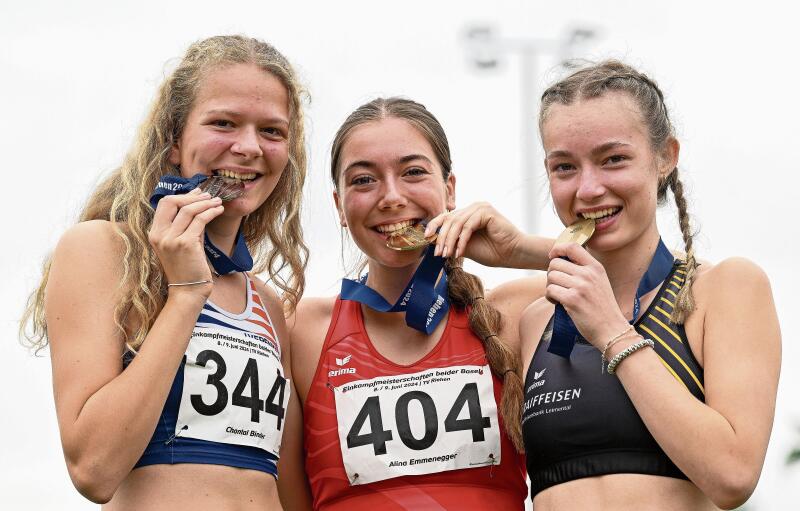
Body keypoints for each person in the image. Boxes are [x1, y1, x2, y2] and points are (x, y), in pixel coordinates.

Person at [435, 60, 781, 510]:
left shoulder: (724, 290)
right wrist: (519, 250)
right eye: (564, 168)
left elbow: (733, 475)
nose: (589, 188)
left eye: (613, 159)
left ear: (665, 157)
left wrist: (612, 332)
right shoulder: (532, 312)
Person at [20, 35, 307, 510]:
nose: (250, 146)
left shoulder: (269, 307)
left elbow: (293, 491)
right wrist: (187, 292)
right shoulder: (102, 250)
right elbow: (93, 468)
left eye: (273, 131)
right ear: (174, 140)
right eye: (223, 123)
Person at [280, 97, 553, 510]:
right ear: (338, 205)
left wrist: (521, 249)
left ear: (449, 190)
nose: (390, 197)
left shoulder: (511, 315)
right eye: (363, 180)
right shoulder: (303, 329)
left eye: (412, 172)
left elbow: (638, 274)